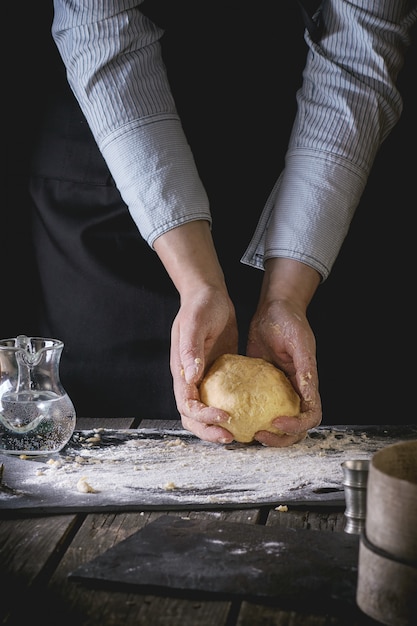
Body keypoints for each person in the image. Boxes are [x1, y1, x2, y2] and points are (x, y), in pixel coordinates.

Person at [10, 1, 416, 446]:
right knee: (110, 440)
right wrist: (198, 283)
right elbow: (101, 28)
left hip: (300, 163)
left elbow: (359, 52)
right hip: (123, 162)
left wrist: (287, 297)